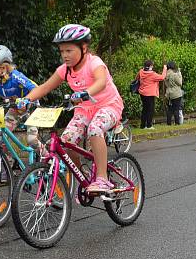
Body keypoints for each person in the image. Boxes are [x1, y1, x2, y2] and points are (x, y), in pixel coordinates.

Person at [18, 24, 124, 193]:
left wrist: (85, 93)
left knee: (95, 129)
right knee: (66, 142)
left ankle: (102, 178)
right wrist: (26, 99)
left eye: (69, 51)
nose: (64, 55)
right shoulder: (65, 70)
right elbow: (44, 87)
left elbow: (101, 81)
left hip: (108, 106)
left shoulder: (94, 62)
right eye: (61, 51)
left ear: (83, 48)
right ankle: (84, 176)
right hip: (84, 110)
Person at [137, 60, 167, 129]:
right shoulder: (152, 74)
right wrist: (164, 69)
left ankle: (142, 125)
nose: (153, 66)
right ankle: (149, 125)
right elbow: (162, 77)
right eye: (152, 65)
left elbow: (137, 78)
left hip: (142, 93)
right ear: (150, 66)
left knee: (144, 109)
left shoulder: (141, 71)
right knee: (150, 110)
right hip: (150, 94)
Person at [164, 61, 184, 125]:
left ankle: (168, 123)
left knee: (170, 109)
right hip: (176, 94)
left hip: (169, 94)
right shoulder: (174, 75)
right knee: (176, 109)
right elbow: (180, 83)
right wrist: (180, 74)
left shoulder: (166, 75)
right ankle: (177, 122)